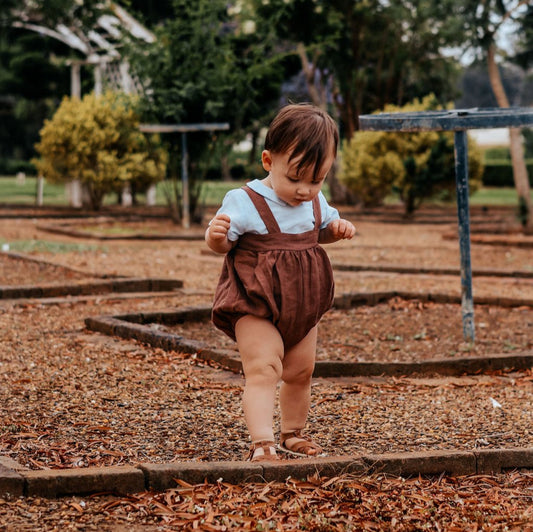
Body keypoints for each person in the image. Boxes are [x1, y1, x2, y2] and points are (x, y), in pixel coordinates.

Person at [205, 103, 356, 462]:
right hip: (254, 301)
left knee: (300, 371)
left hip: (303, 303)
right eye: (295, 178)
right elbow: (223, 245)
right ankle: (262, 442)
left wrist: (336, 230)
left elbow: (320, 232)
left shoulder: (315, 201)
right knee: (264, 369)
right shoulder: (245, 201)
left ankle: (292, 434)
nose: (305, 190)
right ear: (268, 161)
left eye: (316, 180)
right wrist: (216, 236)